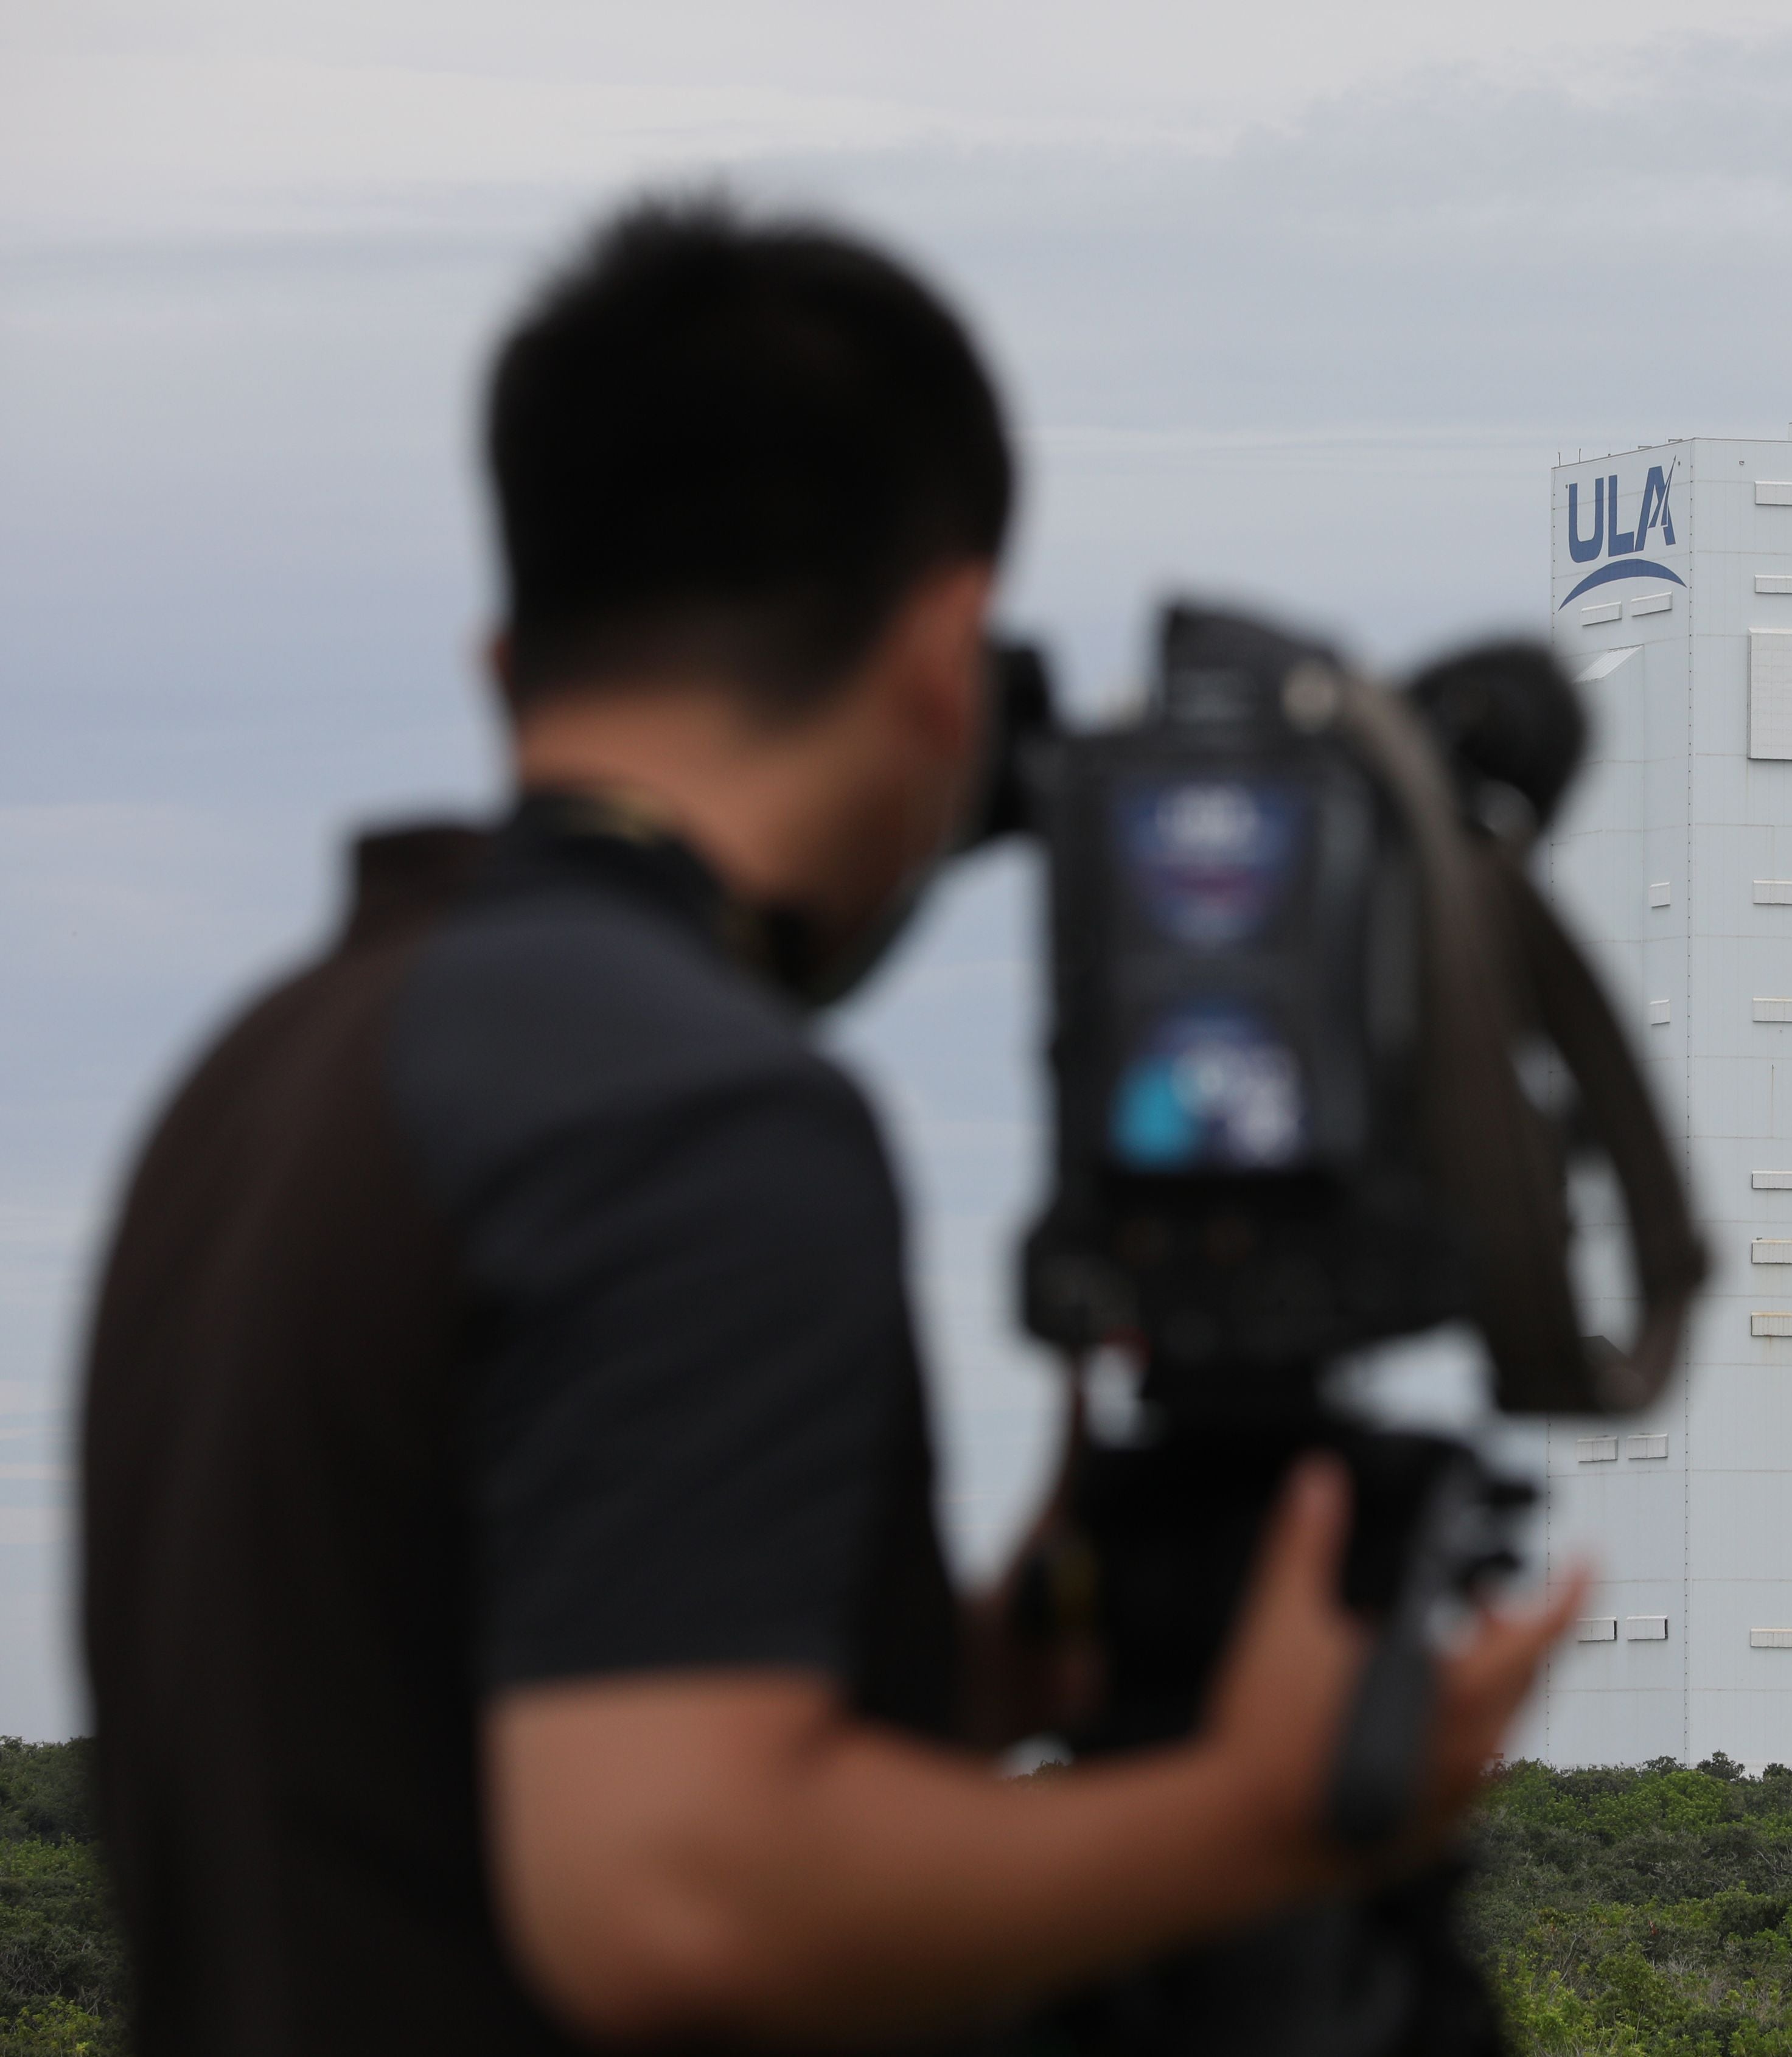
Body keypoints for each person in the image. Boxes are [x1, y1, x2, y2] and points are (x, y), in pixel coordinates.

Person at [79, 200, 1582, 2056]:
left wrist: (973, 1668)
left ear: (509, 666)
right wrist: (1255, 1819)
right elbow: (669, 1900)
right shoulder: (689, 1117)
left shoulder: (264, 1078)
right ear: (947, 659)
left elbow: (433, 1776)